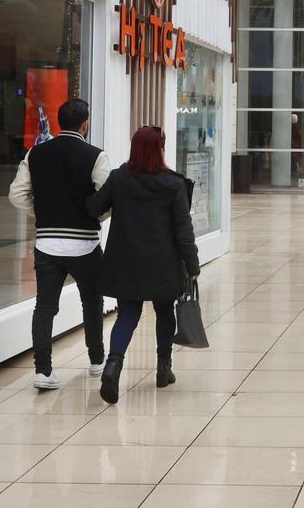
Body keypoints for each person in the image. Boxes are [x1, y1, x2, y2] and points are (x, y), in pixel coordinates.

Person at [87, 126, 201, 404]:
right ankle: (163, 368)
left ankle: (113, 366)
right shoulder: (173, 183)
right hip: (163, 262)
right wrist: (192, 264)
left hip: (126, 261)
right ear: (160, 150)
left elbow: (94, 207)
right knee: (164, 311)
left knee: (127, 314)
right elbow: (183, 229)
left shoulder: (119, 178)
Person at [8, 98, 111, 391]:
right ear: (85, 124)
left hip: (47, 244)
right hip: (86, 245)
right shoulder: (96, 156)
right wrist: (94, 216)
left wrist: (42, 213)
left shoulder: (35, 153)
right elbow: (108, 197)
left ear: (58, 121)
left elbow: (17, 195)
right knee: (92, 303)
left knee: (44, 307)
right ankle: (96, 360)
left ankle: (43, 370)